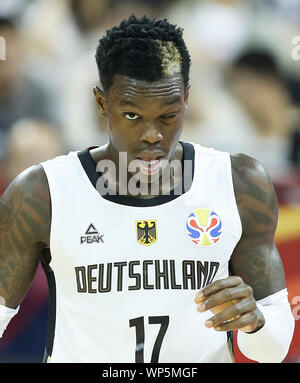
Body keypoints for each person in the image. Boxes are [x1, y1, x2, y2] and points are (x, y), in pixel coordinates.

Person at [0, 14, 294, 363]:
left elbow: (273, 351)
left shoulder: (239, 183)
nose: (152, 134)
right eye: (132, 116)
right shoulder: (42, 192)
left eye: (167, 116)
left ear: (186, 99)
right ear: (101, 104)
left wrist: (256, 324)